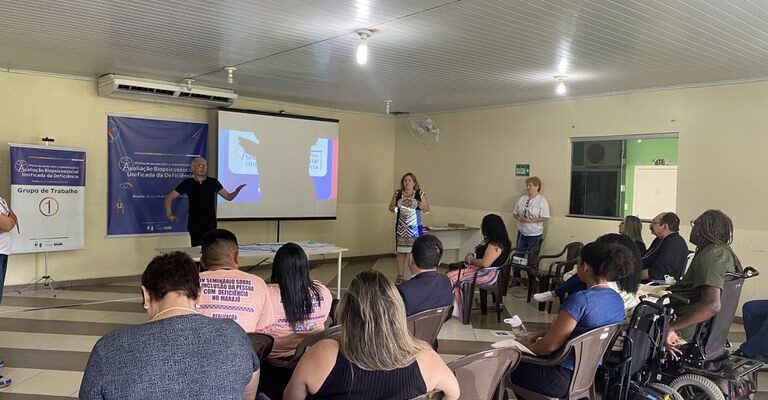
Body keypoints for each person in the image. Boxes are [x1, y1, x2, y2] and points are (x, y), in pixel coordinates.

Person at [79, 251, 260, 399]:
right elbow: (248, 394)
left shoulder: (110, 347)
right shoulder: (234, 334)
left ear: (146, 294)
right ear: (199, 294)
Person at [284, 269, 459, 400]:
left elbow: (290, 397)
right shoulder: (424, 358)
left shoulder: (322, 353)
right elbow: (454, 393)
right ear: (397, 312)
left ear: (346, 312)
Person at [508, 241, 632, 399]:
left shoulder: (580, 300)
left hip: (558, 377)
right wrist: (540, 333)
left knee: (505, 365)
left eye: (578, 263)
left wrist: (525, 345)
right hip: (586, 375)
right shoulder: (617, 300)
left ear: (585, 267)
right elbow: (581, 332)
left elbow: (548, 346)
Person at [259, 242, 333, 399]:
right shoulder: (323, 292)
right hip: (310, 362)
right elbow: (324, 319)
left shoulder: (267, 294)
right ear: (305, 267)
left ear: (277, 267)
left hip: (271, 367)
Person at [666, 210, 742, 355]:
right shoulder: (721, 252)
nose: (692, 228)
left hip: (685, 322)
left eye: (694, 224)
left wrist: (671, 327)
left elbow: (712, 305)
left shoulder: (712, 255)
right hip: (694, 320)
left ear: (702, 230)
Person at [197, 229, 274, 332]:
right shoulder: (259, 284)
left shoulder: (189, 284)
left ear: (202, 262)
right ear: (236, 257)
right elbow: (265, 332)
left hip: (201, 347)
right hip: (245, 347)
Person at [164, 157, 246, 246]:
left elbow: (228, 197)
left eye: (205, 166)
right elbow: (168, 197)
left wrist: (236, 191)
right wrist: (169, 214)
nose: (203, 168)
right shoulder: (187, 183)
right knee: (197, 250)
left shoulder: (213, 182)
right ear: (193, 168)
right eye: (200, 166)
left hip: (210, 223)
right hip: (195, 223)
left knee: (210, 249)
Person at [446, 214, 511, 319]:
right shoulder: (493, 241)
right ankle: (454, 305)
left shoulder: (496, 245)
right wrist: (472, 255)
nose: (481, 226)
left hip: (485, 274)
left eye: (483, 225)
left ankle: (454, 308)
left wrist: (471, 260)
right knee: (451, 274)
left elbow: (485, 263)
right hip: (481, 270)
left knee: (450, 277)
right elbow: (482, 255)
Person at [388, 172, 430, 285]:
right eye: (405, 180)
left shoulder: (419, 193)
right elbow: (391, 206)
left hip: (416, 228)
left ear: (414, 183)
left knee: (415, 252)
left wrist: (423, 206)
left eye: (409, 180)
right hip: (401, 228)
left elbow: (427, 209)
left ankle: (416, 275)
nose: (406, 182)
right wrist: (394, 208)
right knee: (401, 253)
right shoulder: (398, 193)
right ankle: (400, 276)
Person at [398, 234, 453, 316]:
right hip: (435, 327)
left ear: (411, 258)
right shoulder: (446, 281)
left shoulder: (404, 291)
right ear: (439, 262)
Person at [511, 176, 550, 285]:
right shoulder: (522, 199)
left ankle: (530, 281)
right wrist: (519, 218)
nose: (528, 187)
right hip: (522, 231)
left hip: (534, 233)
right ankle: (516, 277)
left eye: (530, 185)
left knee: (532, 258)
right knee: (518, 255)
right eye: (527, 185)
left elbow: (546, 217)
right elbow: (515, 213)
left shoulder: (542, 201)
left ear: (537, 186)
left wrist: (532, 220)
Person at [0, 192, 17, 388]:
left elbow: (13, 217)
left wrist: (9, 219)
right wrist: (8, 220)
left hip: (3, 252)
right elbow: (7, 224)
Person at [642, 212, 689, 281]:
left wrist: (633, 276)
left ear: (664, 227)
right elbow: (646, 256)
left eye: (654, 222)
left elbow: (657, 272)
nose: (650, 225)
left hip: (655, 285)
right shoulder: (660, 240)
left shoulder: (675, 244)